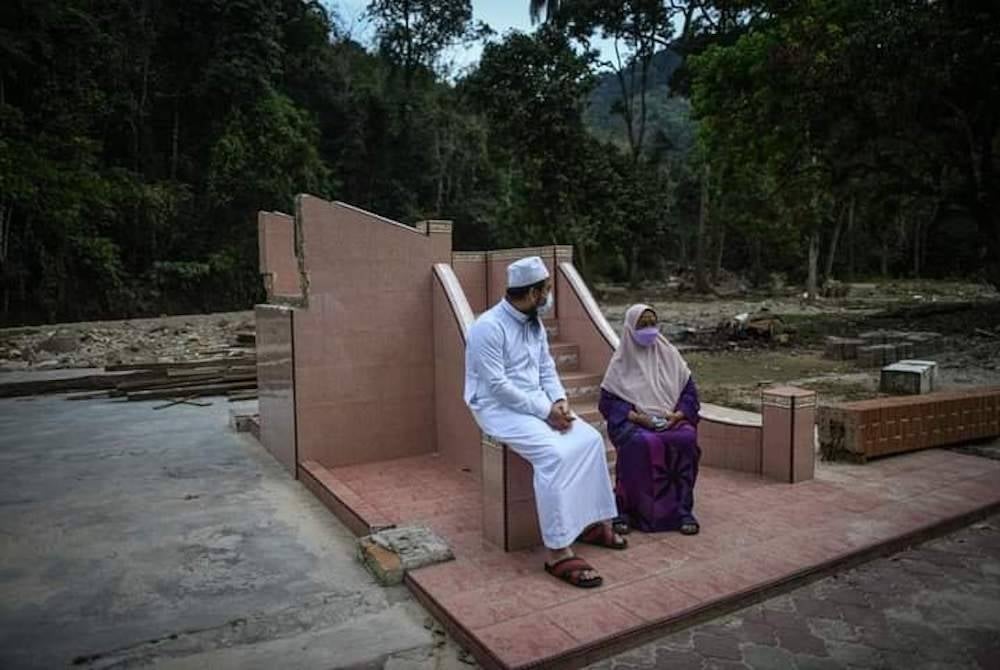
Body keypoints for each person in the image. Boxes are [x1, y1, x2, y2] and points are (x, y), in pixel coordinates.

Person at [465, 256, 625, 588]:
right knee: (553, 454)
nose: (549, 296)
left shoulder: (533, 322)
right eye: (547, 289)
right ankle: (558, 552)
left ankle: (589, 523)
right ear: (534, 291)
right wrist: (545, 411)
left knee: (590, 440)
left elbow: (546, 369)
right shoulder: (487, 327)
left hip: (537, 403)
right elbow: (496, 386)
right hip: (497, 408)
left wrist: (560, 401)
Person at [599, 304, 702, 535]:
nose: (649, 329)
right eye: (642, 325)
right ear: (629, 329)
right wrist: (639, 418)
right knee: (640, 443)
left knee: (686, 438)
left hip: (671, 418)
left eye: (652, 324)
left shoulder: (670, 354)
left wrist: (678, 415)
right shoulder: (621, 362)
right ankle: (627, 511)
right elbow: (607, 402)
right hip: (637, 421)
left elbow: (690, 394)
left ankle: (682, 512)